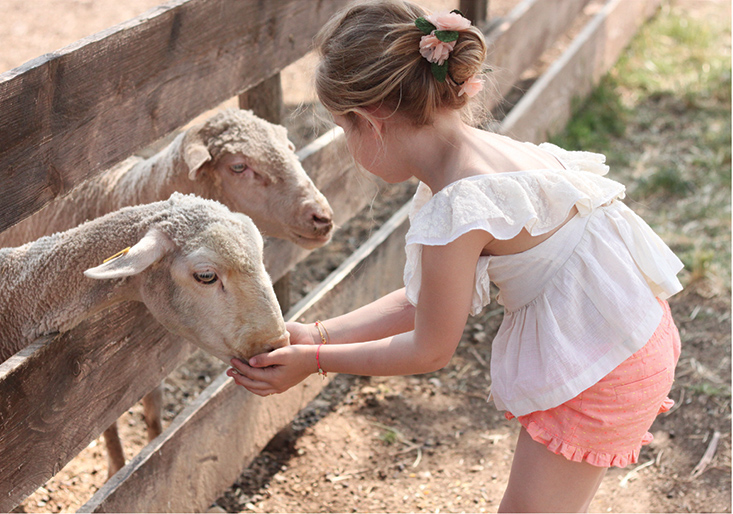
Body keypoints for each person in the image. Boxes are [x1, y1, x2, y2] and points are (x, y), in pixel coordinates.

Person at [226, 1, 684, 511]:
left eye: (343, 128)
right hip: (629, 332)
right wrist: (319, 335)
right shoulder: (480, 157)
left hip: (604, 365)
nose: (350, 146)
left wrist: (315, 361)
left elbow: (430, 348)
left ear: (370, 121)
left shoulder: (458, 206)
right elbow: (428, 300)